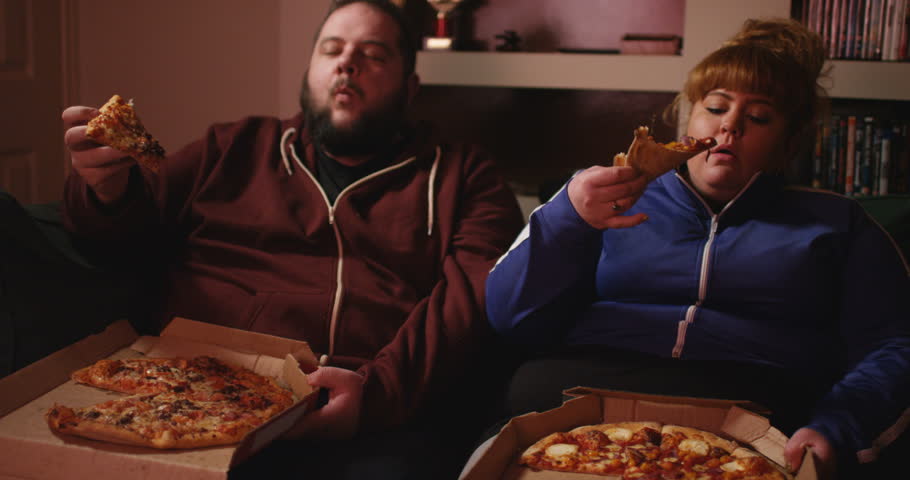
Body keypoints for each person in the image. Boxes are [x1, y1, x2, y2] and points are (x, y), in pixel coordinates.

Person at [61, 0, 524, 478]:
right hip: (190, 398)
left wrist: (376, 394)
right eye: (332, 49)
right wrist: (106, 188)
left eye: (374, 54)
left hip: (370, 411)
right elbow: (114, 238)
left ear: (410, 87)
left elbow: (470, 304)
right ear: (309, 71)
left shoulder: (465, 176)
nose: (348, 62)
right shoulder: (231, 148)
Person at [483, 17, 909, 479]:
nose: (731, 126)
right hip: (577, 404)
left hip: (755, 417)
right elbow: (511, 319)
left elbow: (894, 344)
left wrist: (839, 425)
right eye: (716, 107)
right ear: (688, 117)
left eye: (759, 116)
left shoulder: (838, 223)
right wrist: (568, 219)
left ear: (789, 141)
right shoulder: (597, 196)